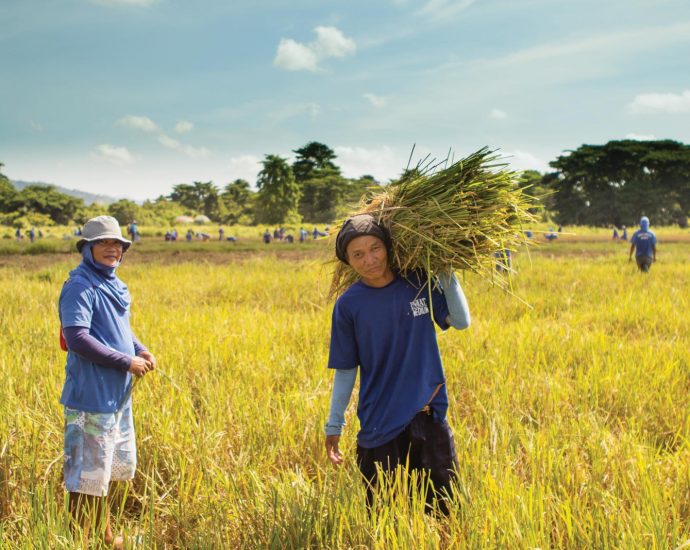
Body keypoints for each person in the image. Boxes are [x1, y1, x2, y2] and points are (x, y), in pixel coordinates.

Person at [324, 214, 471, 515]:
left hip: (427, 417)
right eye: (358, 254)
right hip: (380, 424)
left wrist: (445, 270)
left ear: (388, 247)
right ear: (348, 262)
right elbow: (346, 369)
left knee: (446, 515)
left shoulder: (416, 281)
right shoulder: (348, 305)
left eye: (375, 248)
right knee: (385, 519)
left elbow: (461, 321)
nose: (369, 259)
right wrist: (334, 423)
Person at [58, 216, 155, 548]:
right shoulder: (80, 286)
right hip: (90, 397)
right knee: (86, 478)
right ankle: (81, 541)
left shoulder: (114, 284)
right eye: (103, 243)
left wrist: (139, 349)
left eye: (117, 244)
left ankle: (105, 536)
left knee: (103, 476)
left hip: (116, 395)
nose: (112, 249)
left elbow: (119, 329)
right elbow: (77, 338)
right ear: (87, 249)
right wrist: (126, 361)